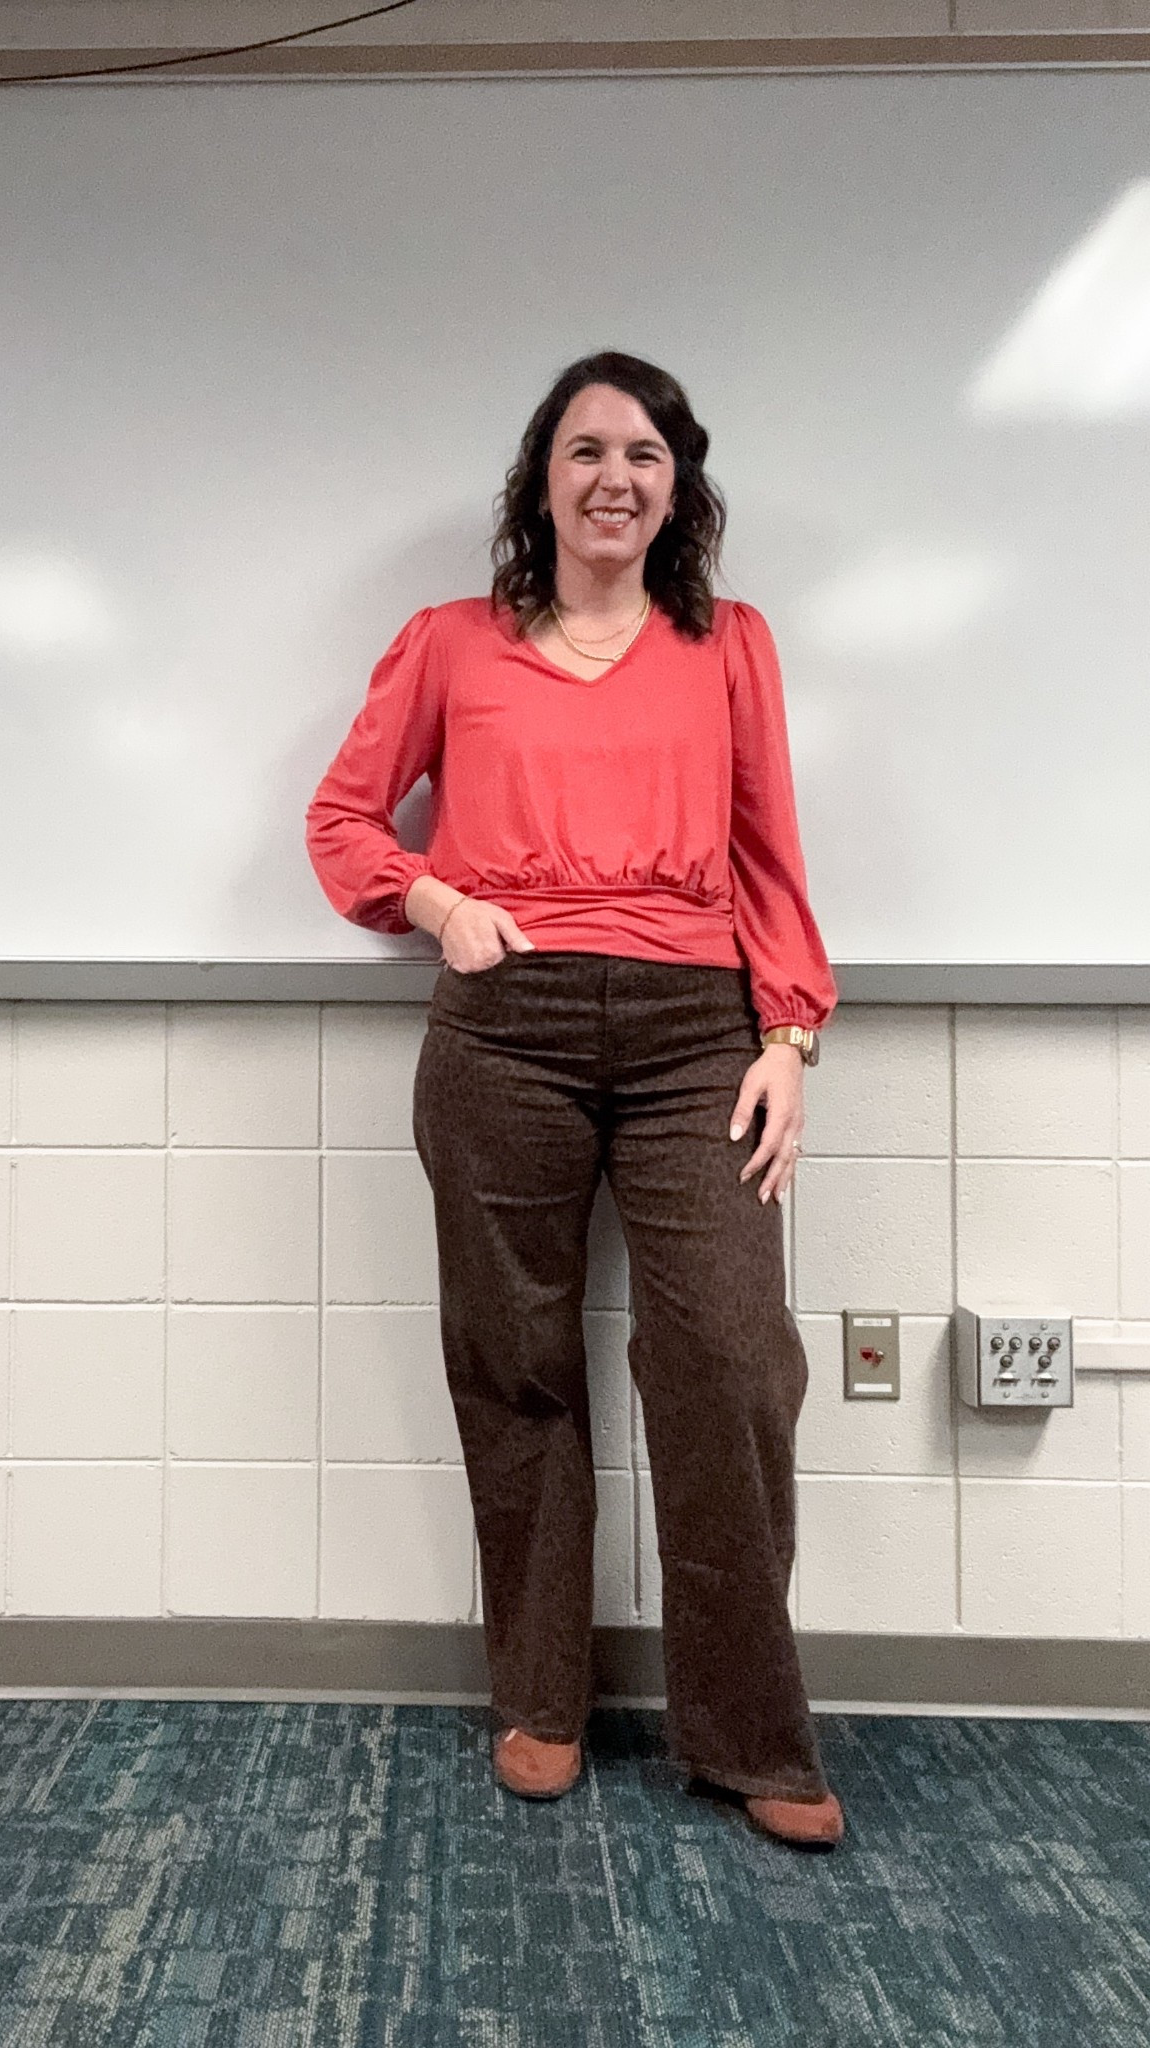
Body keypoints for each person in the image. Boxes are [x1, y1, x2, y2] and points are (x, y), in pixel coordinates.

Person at [304, 351, 843, 1851]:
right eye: (589, 448)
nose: (618, 476)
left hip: (694, 1033)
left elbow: (770, 856)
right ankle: (540, 1697)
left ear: (681, 488)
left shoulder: (730, 645)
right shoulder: (449, 643)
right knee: (518, 1364)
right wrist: (429, 901)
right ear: (542, 476)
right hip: (505, 1028)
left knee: (732, 1365)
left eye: (649, 454)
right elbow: (343, 817)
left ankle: (746, 1734)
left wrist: (788, 1036)